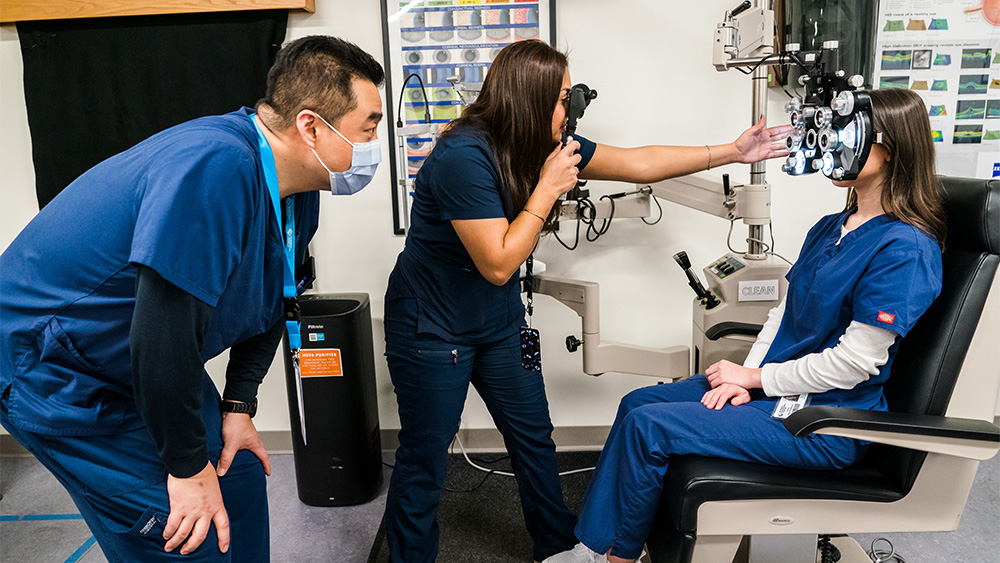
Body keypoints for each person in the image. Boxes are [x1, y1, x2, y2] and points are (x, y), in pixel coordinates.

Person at [381, 39, 792, 563]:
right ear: (530, 101)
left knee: (534, 440)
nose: (570, 109)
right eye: (562, 98)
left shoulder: (543, 143)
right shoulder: (463, 157)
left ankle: (557, 549)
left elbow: (639, 163)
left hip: (497, 322)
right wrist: (547, 189)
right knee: (425, 458)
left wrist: (733, 150)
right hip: (433, 327)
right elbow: (499, 263)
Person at [0, 36, 384, 562]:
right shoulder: (214, 167)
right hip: (53, 368)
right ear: (311, 127)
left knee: (238, 474)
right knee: (183, 530)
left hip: (140, 360)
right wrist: (186, 470)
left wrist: (238, 404)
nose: (374, 144)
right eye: (369, 127)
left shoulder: (297, 191)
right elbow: (162, 339)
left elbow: (279, 296)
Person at [542, 89, 946, 563]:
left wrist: (756, 379)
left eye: (847, 133)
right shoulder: (831, 227)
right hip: (780, 395)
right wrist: (744, 380)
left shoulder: (905, 249)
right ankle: (598, 546)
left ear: (891, 148)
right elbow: (782, 315)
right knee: (638, 402)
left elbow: (854, 364)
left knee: (650, 427)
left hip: (825, 420)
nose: (833, 143)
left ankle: (615, 556)